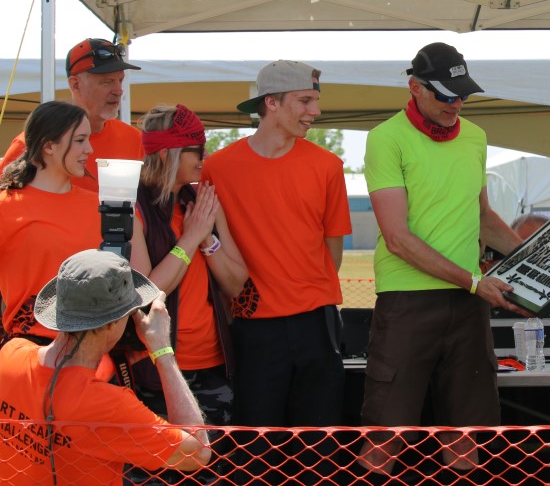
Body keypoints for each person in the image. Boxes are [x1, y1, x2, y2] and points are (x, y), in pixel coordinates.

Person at [360, 42, 523, 476]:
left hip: (468, 304)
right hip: (408, 300)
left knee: (467, 435)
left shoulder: (475, 137)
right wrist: (472, 282)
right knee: (385, 435)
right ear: (414, 88)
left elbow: (484, 216)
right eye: (445, 95)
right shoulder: (385, 139)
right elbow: (397, 238)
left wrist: (533, 263)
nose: (457, 104)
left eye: (462, 94)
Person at [201, 60, 351, 482]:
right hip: (252, 329)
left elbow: (333, 253)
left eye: (315, 101)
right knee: (255, 451)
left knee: (318, 450)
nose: (314, 112)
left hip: (316, 324)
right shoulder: (218, 168)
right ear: (271, 103)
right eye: (305, 101)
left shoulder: (327, 166)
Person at [0, 249, 210, 484]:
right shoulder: (108, 406)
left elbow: (64, 385)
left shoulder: (9, 355)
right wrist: (162, 352)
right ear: (113, 324)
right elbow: (198, 451)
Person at [129, 104, 247, 429]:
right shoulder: (133, 206)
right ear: (168, 153)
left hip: (214, 364)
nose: (204, 156)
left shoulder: (202, 201)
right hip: (157, 365)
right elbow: (147, 293)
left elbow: (237, 284)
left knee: (212, 471)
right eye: (196, 149)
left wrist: (208, 241)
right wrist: (191, 238)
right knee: (157, 474)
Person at [0, 102, 114, 343]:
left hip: (94, 350)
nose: (90, 149)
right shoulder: (6, 206)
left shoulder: (100, 206)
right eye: (80, 140)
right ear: (49, 146)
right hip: (32, 349)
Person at [1, 39, 142, 192]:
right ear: (75, 84)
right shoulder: (34, 143)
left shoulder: (134, 139)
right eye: (107, 82)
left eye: (120, 80)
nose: (118, 90)